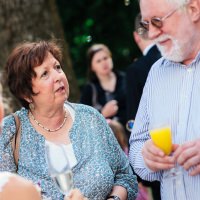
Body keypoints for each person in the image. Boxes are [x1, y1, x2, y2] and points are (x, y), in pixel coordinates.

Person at [0, 41, 138, 200]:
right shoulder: (10, 132)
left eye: (57, 67)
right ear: (26, 93)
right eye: (45, 74)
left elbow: (125, 176)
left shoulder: (91, 117)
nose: (58, 76)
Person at [129, 0, 200, 199]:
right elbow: (136, 144)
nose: (151, 34)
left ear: (193, 10)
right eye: (146, 25)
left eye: (158, 21)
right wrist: (146, 156)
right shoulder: (156, 73)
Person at [126, 13, 161, 200]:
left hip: (156, 156)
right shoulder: (177, 55)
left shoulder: (135, 70)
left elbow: (133, 121)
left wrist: (140, 173)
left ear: (136, 36)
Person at [80, 44, 127, 129]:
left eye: (105, 58)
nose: (104, 63)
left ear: (111, 58)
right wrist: (103, 114)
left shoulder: (125, 79)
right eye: (98, 61)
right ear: (92, 67)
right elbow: (84, 120)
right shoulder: (89, 90)